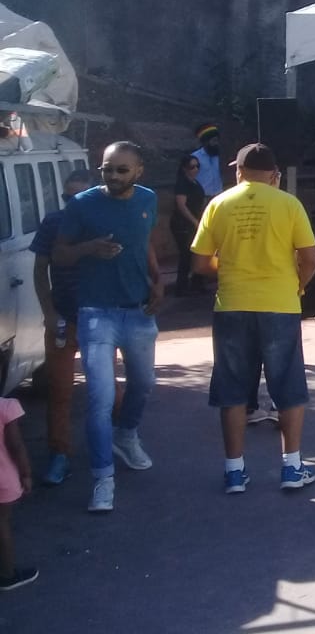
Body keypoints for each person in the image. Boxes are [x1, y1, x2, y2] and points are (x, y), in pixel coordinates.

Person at [191, 144, 315, 495]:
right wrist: (298, 284)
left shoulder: (218, 204)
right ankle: (291, 467)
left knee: (232, 390)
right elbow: (311, 256)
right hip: (280, 304)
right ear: (273, 173)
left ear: (239, 171)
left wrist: (230, 268)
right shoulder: (289, 204)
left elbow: (201, 264)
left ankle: (234, 472)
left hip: (232, 305)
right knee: (288, 386)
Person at [54, 142, 163, 514]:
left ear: (139, 171)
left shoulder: (148, 199)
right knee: (100, 399)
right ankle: (103, 479)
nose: (113, 176)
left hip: (138, 311)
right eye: (106, 169)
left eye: (121, 170)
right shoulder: (82, 204)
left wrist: (158, 281)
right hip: (95, 312)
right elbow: (59, 254)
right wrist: (89, 248)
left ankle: (127, 435)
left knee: (144, 384)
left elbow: (144, 243)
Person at [29, 169, 93, 486]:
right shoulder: (53, 222)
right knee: (60, 392)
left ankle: (115, 443)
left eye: (79, 196)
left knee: (107, 392)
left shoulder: (103, 222)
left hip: (98, 320)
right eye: (68, 196)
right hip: (64, 319)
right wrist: (49, 312)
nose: (72, 202)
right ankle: (59, 455)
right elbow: (40, 270)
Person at [0, 396, 36, 590]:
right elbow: (16, 446)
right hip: (3, 479)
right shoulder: (6, 407)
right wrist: (26, 474)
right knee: (2, 523)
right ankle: (7, 574)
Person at [170, 154, 206, 297]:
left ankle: (197, 283)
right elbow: (181, 205)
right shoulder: (182, 183)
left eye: (197, 166)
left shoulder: (195, 183)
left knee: (199, 252)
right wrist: (194, 221)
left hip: (195, 222)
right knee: (186, 255)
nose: (195, 169)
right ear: (185, 168)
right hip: (182, 225)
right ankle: (181, 288)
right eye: (192, 166)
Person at [191, 124, 224, 198]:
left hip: (219, 196)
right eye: (214, 141)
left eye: (217, 140)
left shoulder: (219, 155)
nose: (216, 143)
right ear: (205, 142)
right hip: (202, 197)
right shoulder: (195, 157)